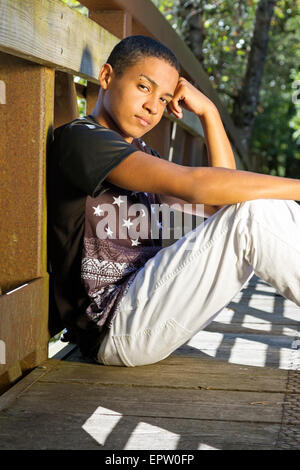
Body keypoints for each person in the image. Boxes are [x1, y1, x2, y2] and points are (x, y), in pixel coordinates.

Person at [48, 35, 300, 367]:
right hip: (112, 322)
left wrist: (209, 113)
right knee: (255, 213)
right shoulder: (82, 140)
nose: (154, 106)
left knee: (254, 208)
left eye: (165, 98)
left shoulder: (141, 154)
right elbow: (195, 185)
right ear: (107, 77)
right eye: (143, 87)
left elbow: (224, 202)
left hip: (147, 306)